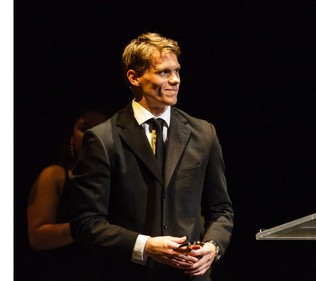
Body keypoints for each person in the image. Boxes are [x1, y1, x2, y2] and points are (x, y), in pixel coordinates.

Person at [69, 32, 234, 281]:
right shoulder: (103, 139)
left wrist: (213, 247)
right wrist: (145, 245)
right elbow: (86, 223)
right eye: (164, 72)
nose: (175, 80)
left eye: (177, 71)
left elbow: (221, 210)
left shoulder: (203, 133)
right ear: (134, 77)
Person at [27, 110, 108, 280]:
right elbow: (37, 238)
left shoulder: (117, 177)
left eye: (101, 128)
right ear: (71, 135)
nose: (92, 135)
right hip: (64, 270)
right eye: (84, 128)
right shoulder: (55, 175)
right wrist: (88, 227)